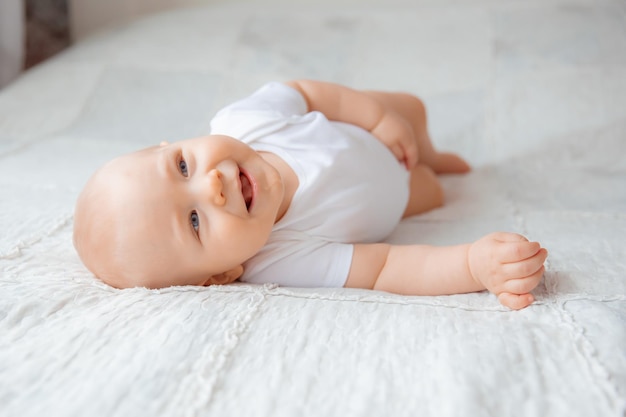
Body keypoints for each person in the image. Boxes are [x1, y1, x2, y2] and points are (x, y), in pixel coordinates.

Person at [73, 80, 548, 310]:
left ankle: (430, 150)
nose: (211, 185)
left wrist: (379, 122)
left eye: (181, 166)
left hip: (370, 131)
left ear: (171, 142)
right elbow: (386, 268)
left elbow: (309, 94)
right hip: (394, 199)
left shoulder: (245, 122)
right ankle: (428, 172)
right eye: (194, 221)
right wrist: (471, 265)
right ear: (221, 275)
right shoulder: (278, 260)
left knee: (410, 111)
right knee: (435, 192)